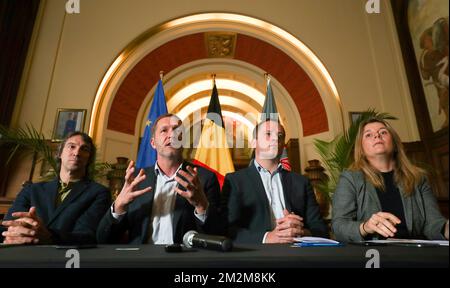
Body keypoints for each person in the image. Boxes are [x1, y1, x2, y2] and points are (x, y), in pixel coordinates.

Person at [96, 113, 224, 244]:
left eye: (176, 130)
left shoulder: (204, 178)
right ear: (153, 143)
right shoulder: (136, 180)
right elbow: (104, 239)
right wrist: (118, 206)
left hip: (184, 260)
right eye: (164, 130)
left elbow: (217, 235)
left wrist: (202, 206)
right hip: (141, 259)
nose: (171, 135)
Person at [332, 117, 449, 242]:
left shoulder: (418, 178)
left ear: (394, 143)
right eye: (368, 135)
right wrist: (365, 227)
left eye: (383, 132)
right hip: (372, 255)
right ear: (361, 149)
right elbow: (339, 226)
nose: (377, 135)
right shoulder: (350, 179)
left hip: (415, 252)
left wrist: (446, 229)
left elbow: (433, 223)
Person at [222, 119, 329, 244]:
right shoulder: (235, 181)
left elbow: (321, 229)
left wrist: (300, 232)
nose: (275, 139)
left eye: (280, 136)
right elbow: (227, 229)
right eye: (268, 134)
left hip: (297, 256)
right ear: (254, 143)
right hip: (256, 257)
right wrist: (267, 237)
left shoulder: (301, 182)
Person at [1, 131, 111, 245]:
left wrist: (48, 236)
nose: (77, 152)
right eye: (71, 146)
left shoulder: (99, 193)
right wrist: (18, 233)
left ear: (89, 159)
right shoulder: (31, 190)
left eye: (85, 149)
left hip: (65, 258)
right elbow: (8, 225)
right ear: (60, 153)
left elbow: (86, 235)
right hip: (19, 251)